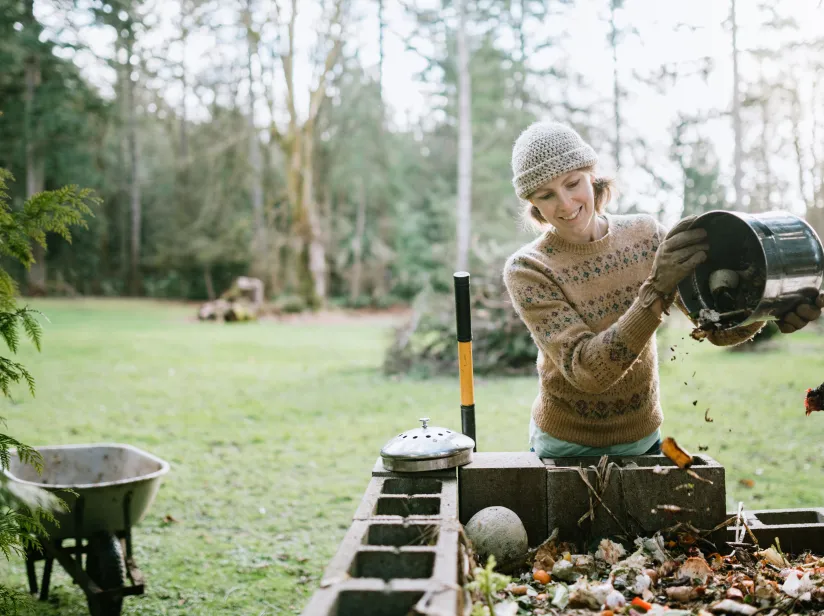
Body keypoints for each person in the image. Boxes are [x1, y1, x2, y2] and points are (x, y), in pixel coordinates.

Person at [502, 121, 824, 458]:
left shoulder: (646, 236)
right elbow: (587, 371)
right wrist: (656, 289)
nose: (566, 204)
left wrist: (761, 307)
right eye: (546, 195)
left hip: (643, 438)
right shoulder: (529, 268)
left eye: (572, 183)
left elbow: (713, 327)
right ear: (532, 202)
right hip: (565, 445)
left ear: (591, 174)